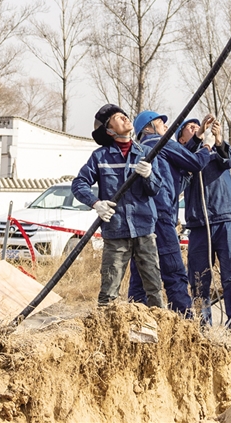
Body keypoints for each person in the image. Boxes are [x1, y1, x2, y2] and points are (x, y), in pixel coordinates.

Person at [72, 104, 165, 308]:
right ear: (109, 130)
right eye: (117, 117)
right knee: (109, 292)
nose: (124, 117)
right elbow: (78, 184)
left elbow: (155, 189)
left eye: (124, 114)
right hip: (116, 232)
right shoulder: (100, 157)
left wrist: (149, 176)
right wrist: (96, 203)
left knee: (154, 289)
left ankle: (160, 332)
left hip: (143, 229)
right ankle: (105, 331)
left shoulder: (147, 153)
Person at [127, 110, 216, 314]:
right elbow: (194, 163)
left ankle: (134, 321)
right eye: (161, 123)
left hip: (139, 220)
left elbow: (180, 167)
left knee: (141, 274)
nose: (166, 127)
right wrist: (207, 146)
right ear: (149, 128)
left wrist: (197, 136)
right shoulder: (162, 143)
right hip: (161, 215)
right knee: (174, 272)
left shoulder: (137, 149)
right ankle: (184, 325)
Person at [182, 118, 231, 329]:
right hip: (199, 224)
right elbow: (188, 158)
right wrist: (199, 136)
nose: (198, 129)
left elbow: (230, 160)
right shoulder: (184, 156)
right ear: (182, 137)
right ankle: (202, 325)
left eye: (199, 126)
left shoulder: (216, 153)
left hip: (225, 219)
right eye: (191, 128)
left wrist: (218, 140)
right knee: (199, 279)